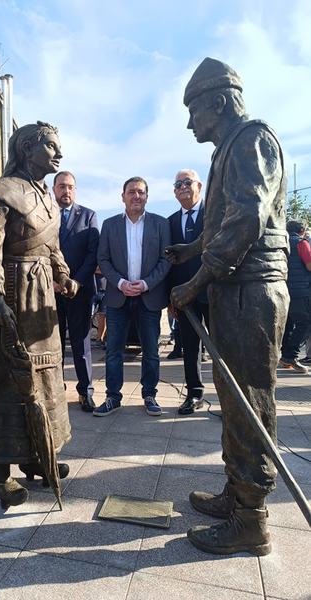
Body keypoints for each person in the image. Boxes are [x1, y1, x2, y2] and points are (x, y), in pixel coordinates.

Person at [167, 57, 289, 556]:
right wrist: (191, 250)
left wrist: (194, 281)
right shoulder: (228, 149)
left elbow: (247, 219)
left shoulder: (252, 139)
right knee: (234, 401)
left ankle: (251, 519)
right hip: (233, 290)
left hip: (250, 291)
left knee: (249, 402)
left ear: (218, 102)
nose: (189, 123)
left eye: (193, 111)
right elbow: (223, 221)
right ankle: (237, 494)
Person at [0, 122, 79, 508]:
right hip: (11, 295)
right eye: (51, 146)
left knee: (43, 376)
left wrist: (62, 275)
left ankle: (36, 455)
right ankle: (0, 473)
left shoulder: (48, 199)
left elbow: (52, 246)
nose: (58, 154)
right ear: (28, 149)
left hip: (41, 299)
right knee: (6, 379)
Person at [94, 176, 171, 417]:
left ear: (147, 196)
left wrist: (146, 284)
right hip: (118, 297)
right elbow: (103, 259)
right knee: (113, 351)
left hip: (149, 297)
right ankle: (112, 397)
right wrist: (120, 283)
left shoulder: (160, 224)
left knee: (151, 351)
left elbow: (166, 259)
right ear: (123, 196)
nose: (136, 196)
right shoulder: (110, 225)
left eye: (140, 192)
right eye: (131, 192)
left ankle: (149, 395)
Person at [53, 171, 99, 412]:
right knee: (53, 344)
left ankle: (85, 391)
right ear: (54, 189)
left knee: (81, 344)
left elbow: (93, 255)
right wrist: (52, 281)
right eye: (62, 186)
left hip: (80, 291)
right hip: (50, 292)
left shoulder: (88, 216)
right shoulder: (45, 215)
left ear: (75, 190)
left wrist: (75, 282)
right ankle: (55, 389)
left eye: (70, 186)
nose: (66, 191)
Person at [168, 169, 208, 414]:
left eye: (187, 182)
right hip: (185, 297)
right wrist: (170, 298)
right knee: (190, 348)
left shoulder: (214, 214)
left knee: (223, 348)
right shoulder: (170, 222)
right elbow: (169, 261)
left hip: (214, 293)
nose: (183, 187)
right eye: (178, 184)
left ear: (199, 186)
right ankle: (194, 394)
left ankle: (229, 397)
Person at [279, 220, 311, 373]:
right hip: (300, 290)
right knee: (305, 322)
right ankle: (290, 356)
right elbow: (309, 265)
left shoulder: (282, 243)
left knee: (289, 323)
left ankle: (285, 355)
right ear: (302, 231)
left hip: (283, 289)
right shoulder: (301, 243)